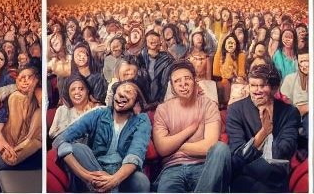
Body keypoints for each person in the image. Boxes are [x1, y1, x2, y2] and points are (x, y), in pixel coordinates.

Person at [54, 80, 153, 193]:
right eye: (119, 92)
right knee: (78, 148)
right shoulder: (99, 113)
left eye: (129, 92)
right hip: (95, 168)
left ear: (136, 102)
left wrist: (113, 181)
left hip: (122, 172)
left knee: (141, 181)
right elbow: (62, 139)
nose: (122, 95)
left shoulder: (141, 120)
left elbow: (136, 154)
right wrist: (85, 176)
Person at [151, 60, 231, 192]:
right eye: (177, 81)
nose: (183, 84)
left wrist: (173, 145)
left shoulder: (208, 105)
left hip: (203, 166)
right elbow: (162, 149)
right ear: (172, 87)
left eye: (187, 78)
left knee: (221, 149)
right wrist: (190, 130)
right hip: (172, 168)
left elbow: (209, 147)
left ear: (195, 81)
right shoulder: (163, 109)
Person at [226, 63, 300, 192]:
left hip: (275, 177)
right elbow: (237, 156)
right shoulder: (235, 110)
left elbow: (286, 150)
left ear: (274, 88)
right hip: (244, 178)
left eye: (262, 85)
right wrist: (264, 132)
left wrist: (271, 130)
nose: (257, 90)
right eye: (253, 85)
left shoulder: (289, 112)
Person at [0, 64, 43, 171]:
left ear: (36, 80)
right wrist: (4, 147)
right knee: (17, 97)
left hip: (29, 147)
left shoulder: (39, 98)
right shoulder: (11, 96)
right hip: (3, 141)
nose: (25, 81)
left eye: (29, 77)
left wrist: (37, 92)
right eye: (21, 79)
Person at [48, 74, 101, 140]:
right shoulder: (62, 110)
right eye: (73, 89)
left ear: (87, 91)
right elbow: (52, 134)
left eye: (81, 89)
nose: (77, 92)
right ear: (68, 93)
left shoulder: (95, 109)